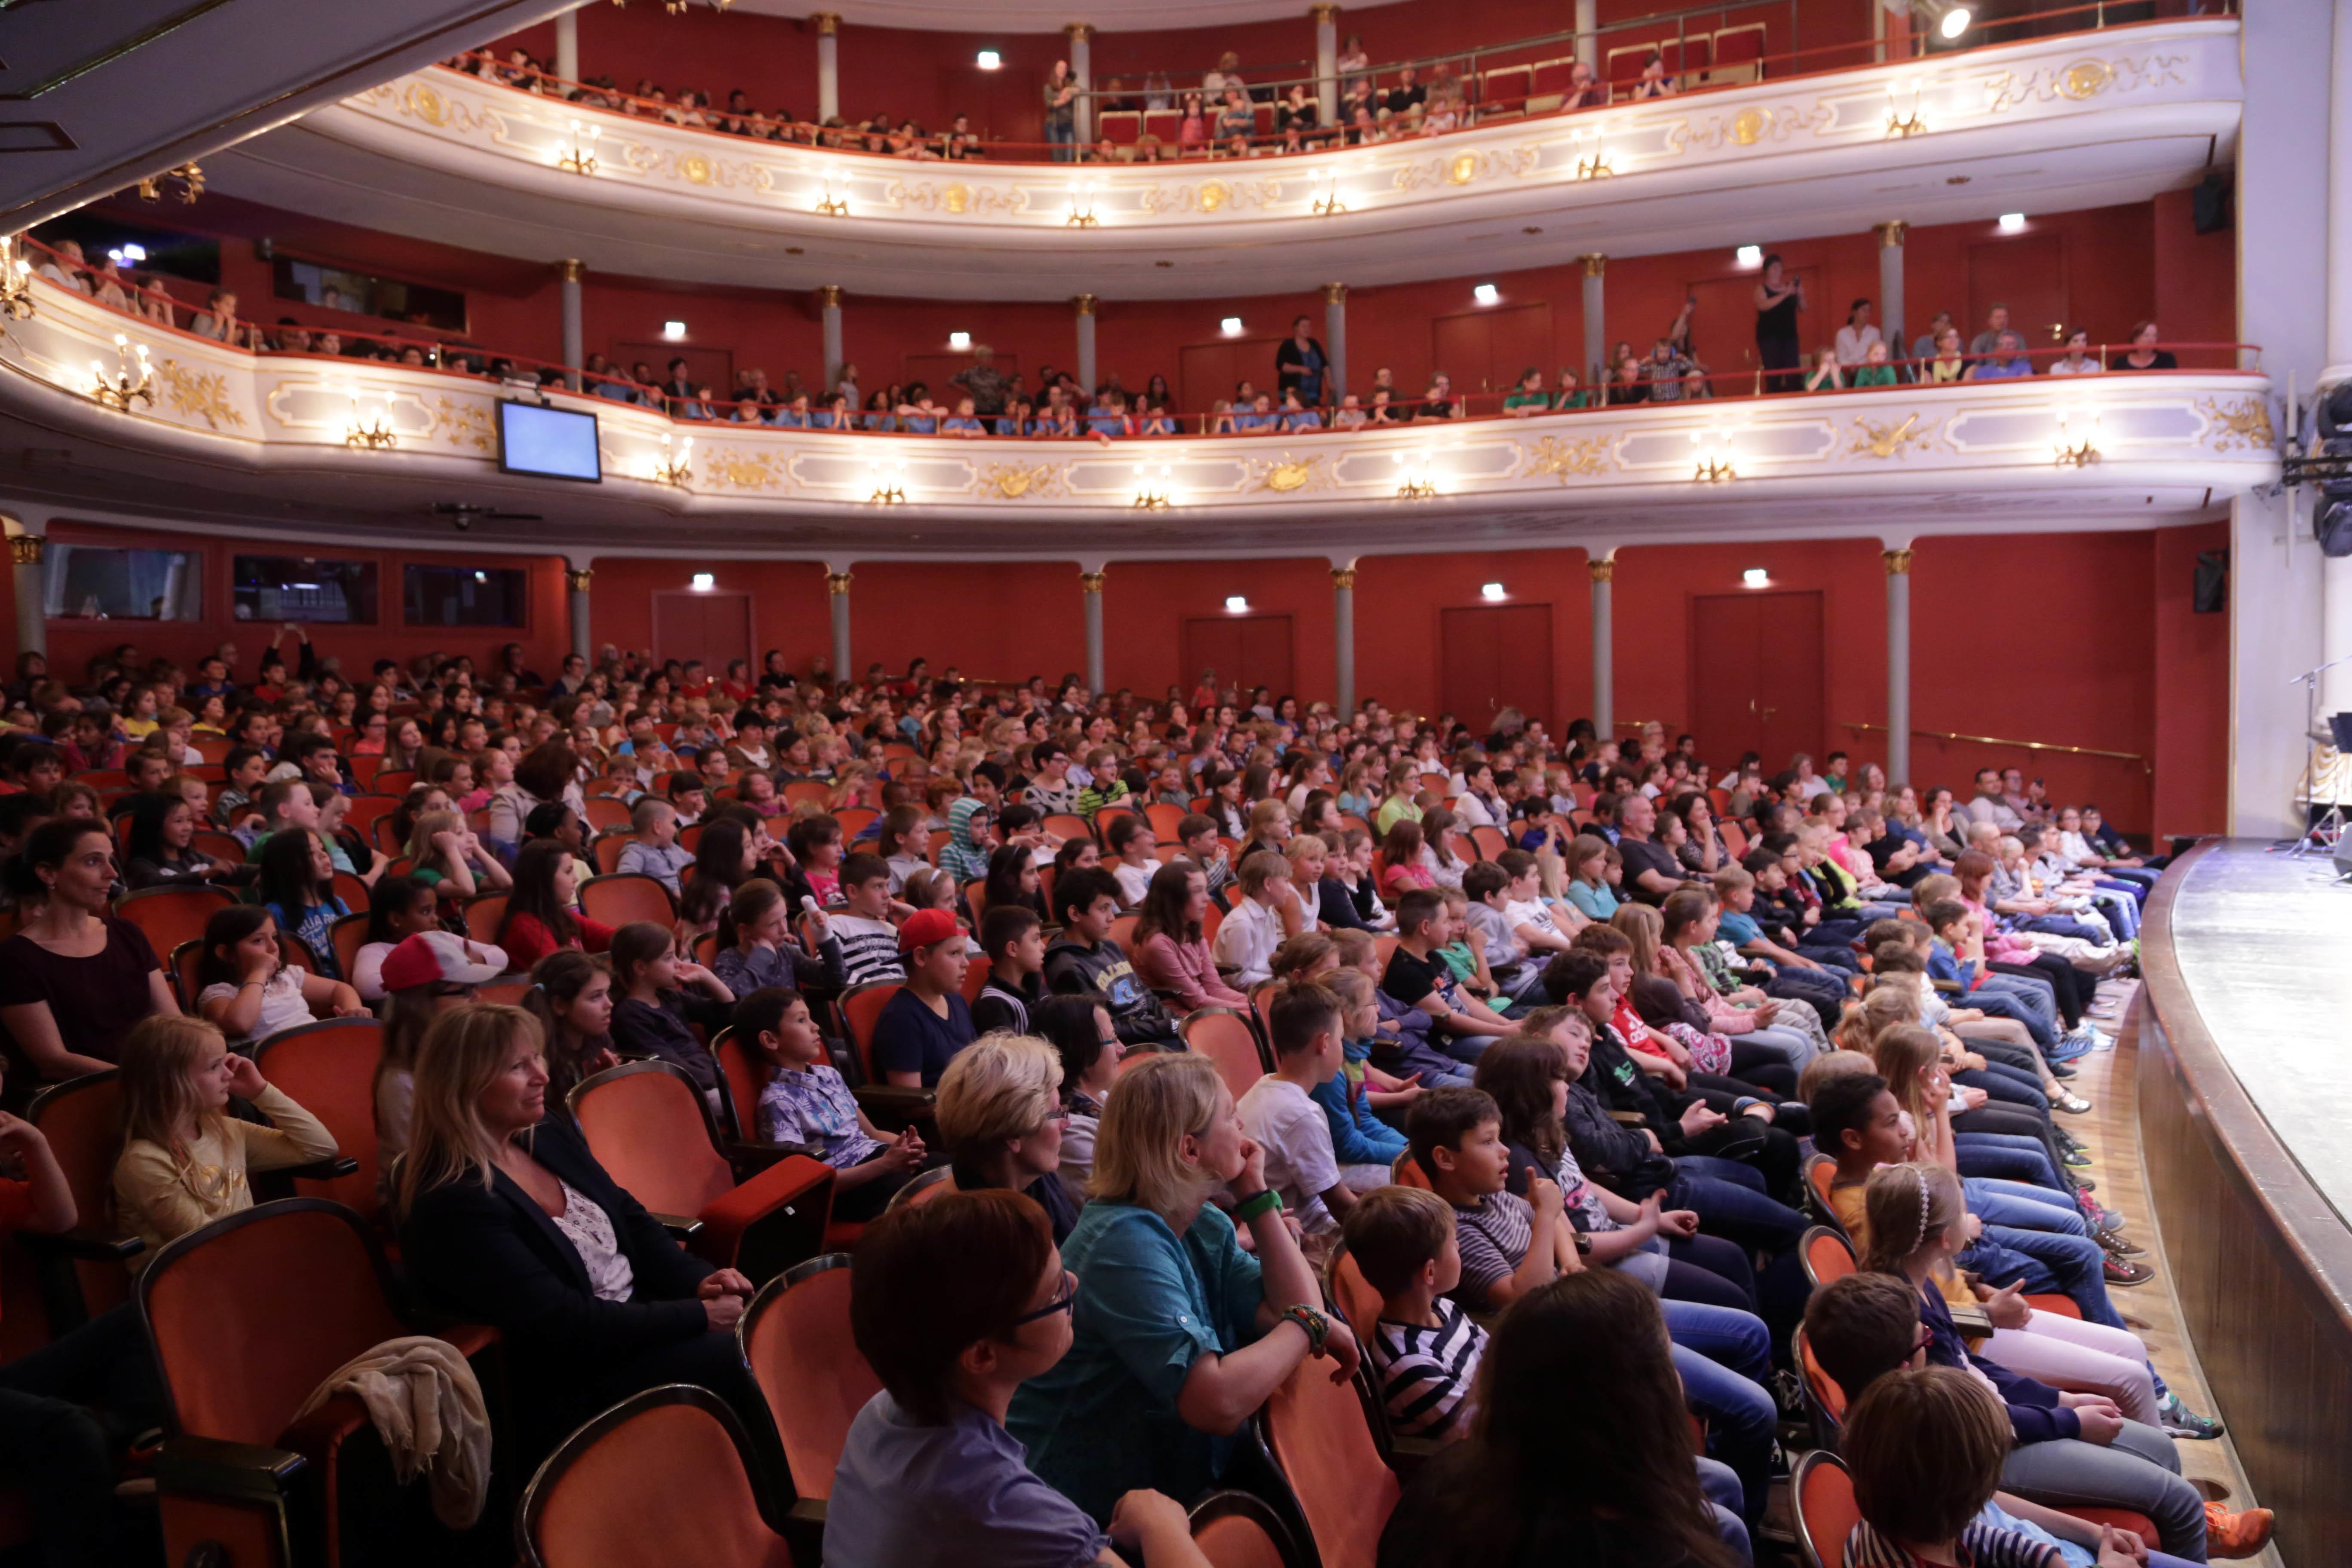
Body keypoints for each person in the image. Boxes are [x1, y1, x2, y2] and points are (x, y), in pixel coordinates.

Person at [395, 1003, 761, 1464]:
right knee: (748, 1356)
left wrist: (696, 1279)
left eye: (537, 1058)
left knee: (769, 1325)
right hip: (575, 1372)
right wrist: (696, 1316)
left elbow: (627, 1215)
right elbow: (561, 1324)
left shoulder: (541, 1131)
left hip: (637, 1322)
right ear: (462, 1084)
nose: (542, 1076)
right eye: (517, 1066)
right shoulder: (453, 1197)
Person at [1006, 1050, 1362, 1525]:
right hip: (1077, 1512)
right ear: (1189, 1151)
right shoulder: (1122, 1242)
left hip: (1163, 1484)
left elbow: (1287, 1307)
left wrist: (1256, 1200)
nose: (1243, 1130)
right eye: (1231, 1118)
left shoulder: (1200, 1219)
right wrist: (1310, 1326)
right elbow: (1215, 1402)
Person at [827, 1190, 1216, 1568]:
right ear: (982, 1355)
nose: (1075, 1284)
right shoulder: (998, 1503)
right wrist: (1160, 1526)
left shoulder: (882, 1413)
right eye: (1053, 1294)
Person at [1377, 1269, 1746, 1568]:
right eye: (1667, 1364)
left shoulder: (1445, 1474)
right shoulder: (1666, 1554)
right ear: (1633, 1407)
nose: (1678, 1379)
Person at [112, 1014, 338, 1267]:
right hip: (195, 1287)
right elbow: (209, 1244)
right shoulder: (145, 1162)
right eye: (214, 1067)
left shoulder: (224, 1130)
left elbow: (321, 1148)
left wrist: (260, 1092)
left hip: (242, 1265)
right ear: (171, 1083)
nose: (229, 1074)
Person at [0, 818, 178, 1084]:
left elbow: (172, 1022)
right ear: (49, 873)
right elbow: (53, 1061)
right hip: (82, 1099)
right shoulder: (16, 958)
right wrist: (140, 1081)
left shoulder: (126, 933)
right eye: (93, 862)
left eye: (110, 860)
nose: (112, 873)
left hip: (150, 1084)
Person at [739, 987, 924, 1219]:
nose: (815, 1026)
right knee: (920, 1198)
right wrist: (886, 1165)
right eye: (801, 1020)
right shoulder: (778, 1101)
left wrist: (908, 1147)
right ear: (770, 1039)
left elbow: (872, 1133)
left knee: (945, 1166)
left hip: (878, 1162)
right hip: (846, 1189)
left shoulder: (829, 1075)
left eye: (811, 1018)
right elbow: (803, 1183)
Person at [1237, 980, 1369, 1241]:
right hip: (1298, 1233)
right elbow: (1340, 1206)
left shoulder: (1266, 1084)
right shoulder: (1301, 1115)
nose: (1342, 1050)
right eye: (1341, 1040)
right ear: (1324, 1043)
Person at [935, 1032, 1080, 1241]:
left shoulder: (1033, 1178)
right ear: (1013, 1135)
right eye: (1055, 1113)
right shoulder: (979, 1236)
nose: (1066, 1123)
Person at [1045, 866, 1179, 1047]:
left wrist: (1175, 1021)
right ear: (1075, 914)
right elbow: (1106, 1029)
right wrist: (1166, 1027)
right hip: (1130, 1047)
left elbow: (1145, 995)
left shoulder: (1109, 946)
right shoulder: (1067, 968)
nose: (1111, 918)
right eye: (1103, 909)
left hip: (1153, 1032)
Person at [193, 904, 364, 1043]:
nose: (274, 947)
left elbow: (339, 988)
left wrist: (352, 1011)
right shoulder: (219, 993)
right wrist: (259, 971)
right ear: (225, 953)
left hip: (317, 1046)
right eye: (258, 940)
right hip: (277, 1066)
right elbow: (241, 1023)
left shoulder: (286, 976)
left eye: (274, 937)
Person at [606, 921, 733, 1102]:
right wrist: (723, 1080)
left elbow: (727, 1013)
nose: (678, 964)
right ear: (641, 968)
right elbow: (674, 1069)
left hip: (711, 1082)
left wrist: (707, 976)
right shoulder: (630, 1015)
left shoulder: (669, 997)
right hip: (689, 1093)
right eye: (668, 958)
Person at [873, 907, 977, 1087]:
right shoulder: (901, 1019)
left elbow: (977, 1061)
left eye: (964, 953)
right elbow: (912, 1105)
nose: (966, 963)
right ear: (921, 957)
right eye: (954, 953)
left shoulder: (955, 1000)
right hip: (947, 1112)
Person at [1129, 861, 1247, 1016]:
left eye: (1206, 890)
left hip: (1205, 1005)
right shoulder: (1157, 944)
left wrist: (1254, 1003)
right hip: (1182, 1016)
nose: (1208, 898)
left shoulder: (1192, 929)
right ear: (1173, 898)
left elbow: (1215, 987)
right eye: (1198, 891)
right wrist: (1252, 1009)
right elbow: (1196, 1001)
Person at [1752, 254, 1804, 391]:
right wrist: (1785, 295)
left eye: (1780, 267)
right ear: (1767, 270)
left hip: (1790, 335)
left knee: (1793, 372)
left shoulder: (1789, 286)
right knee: (1773, 373)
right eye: (1774, 267)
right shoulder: (1761, 289)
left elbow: (1804, 308)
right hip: (1769, 337)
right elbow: (1763, 306)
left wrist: (1800, 294)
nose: (1778, 270)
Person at [1275, 314, 1330, 407]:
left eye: (1309, 326)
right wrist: (1300, 369)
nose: (1307, 329)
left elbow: (1324, 364)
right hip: (1293, 391)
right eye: (1304, 326)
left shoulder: (1314, 344)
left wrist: (1330, 381)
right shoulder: (1288, 345)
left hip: (1313, 390)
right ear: (1296, 328)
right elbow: (1281, 366)